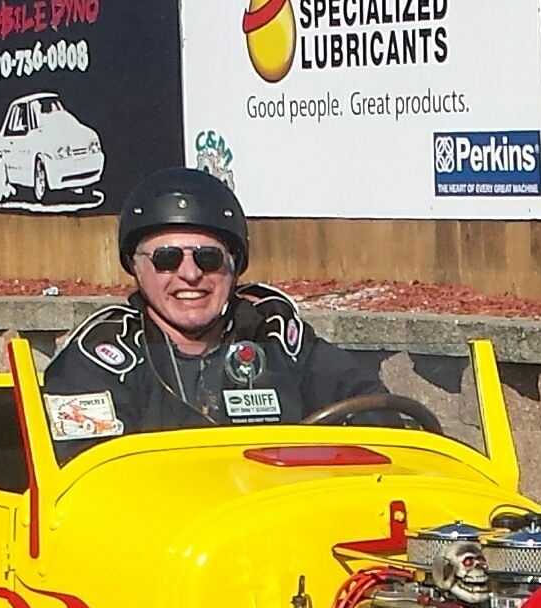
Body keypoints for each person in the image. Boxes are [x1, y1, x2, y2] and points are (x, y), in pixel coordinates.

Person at [39, 167, 385, 457]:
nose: (190, 274)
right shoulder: (102, 357)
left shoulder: (273, 333)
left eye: (208, 258)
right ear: (135, 267)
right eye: (167, 259)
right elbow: (88, 478)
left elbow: (375, 409)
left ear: (235, 266)